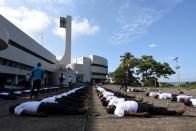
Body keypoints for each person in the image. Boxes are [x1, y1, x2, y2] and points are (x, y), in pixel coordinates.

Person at [106, 100, 186, 117]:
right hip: (139, 109)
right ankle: (176, 112)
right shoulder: (117, 111)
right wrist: (142, 114)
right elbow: (130, 113)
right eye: (109, 107)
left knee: (154, 108)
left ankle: (164, 108)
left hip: (138, 105)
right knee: (158, 111)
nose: (110, 105)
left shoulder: (117, 106)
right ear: (111, 110)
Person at [9, 101, 87, 117]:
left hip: (42, 105)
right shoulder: (16, 109)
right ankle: (79, 110)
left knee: (60, 109)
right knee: (60, 108)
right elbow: (24, 112)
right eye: (12, 105)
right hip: (41, 107)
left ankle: (78, 110)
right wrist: (37, 115)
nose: (14, 104)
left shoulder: (21, 104)